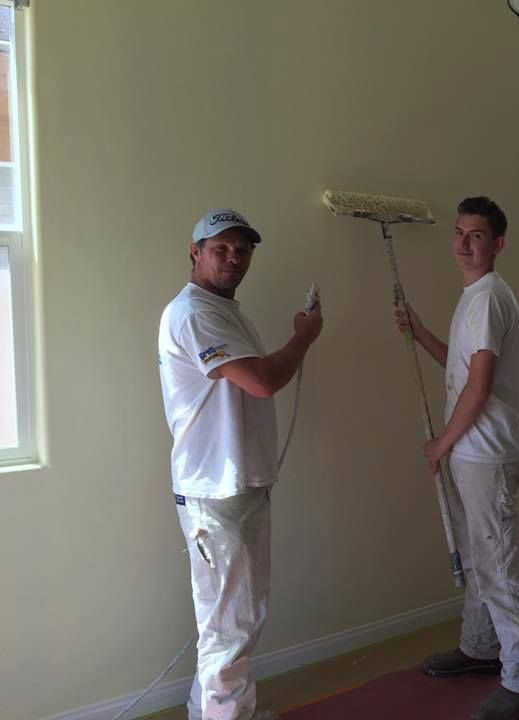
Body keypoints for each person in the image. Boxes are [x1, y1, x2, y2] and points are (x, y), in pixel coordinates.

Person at [158, 208, 324, 720]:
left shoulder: (226, 312)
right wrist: (303, 337)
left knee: (231, 622)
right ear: (195, 251)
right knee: (231, 626)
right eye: (221, 247)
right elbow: (260, 380)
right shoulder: (194, 313)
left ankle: (218, 712)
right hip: (217, 492)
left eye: (243, 249)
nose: (234, 257)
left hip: (237, 484)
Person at [396, 197, 519, 720]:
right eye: (459, 232)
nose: (462, 243)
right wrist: (419, 332)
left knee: (497, 565)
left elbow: (477, 390)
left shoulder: (489, 299)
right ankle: (480, 647)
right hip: (470, 452)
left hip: (485, 454)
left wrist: (441, 443)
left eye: (476, 235)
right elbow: (458, 368)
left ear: (497, 243)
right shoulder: (474, 297)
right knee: (480, 558)